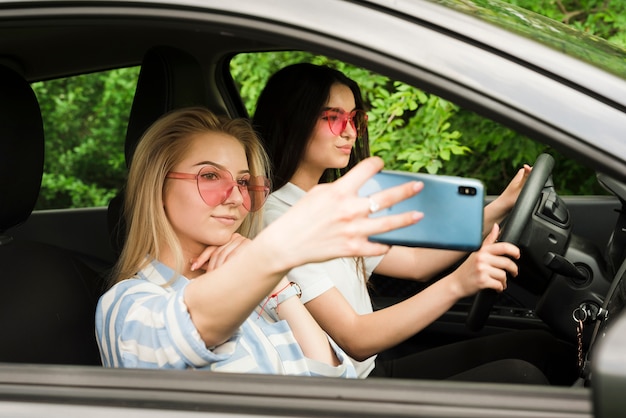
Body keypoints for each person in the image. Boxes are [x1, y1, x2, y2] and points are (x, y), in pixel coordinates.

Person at [246, 63, 578, 384]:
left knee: (541, 347)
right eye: (333, 118)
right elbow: (355, 338)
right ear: (294, 120)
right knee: (521, 376)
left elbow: (416, 263)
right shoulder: (279, 221)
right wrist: (459, 283)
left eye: (354, 118)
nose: (348, 131)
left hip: (372, 367)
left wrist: (501, 207)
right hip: (347, 388)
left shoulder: (328, 202)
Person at [95, 106, 425, 377]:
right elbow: (185, 329)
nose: (236, 197)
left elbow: (338, 387)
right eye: (210, 176)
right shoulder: (127, 305)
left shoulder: (258, 297)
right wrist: (277, 252)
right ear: (158, 186)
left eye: (243, 181)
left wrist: (280, 289)